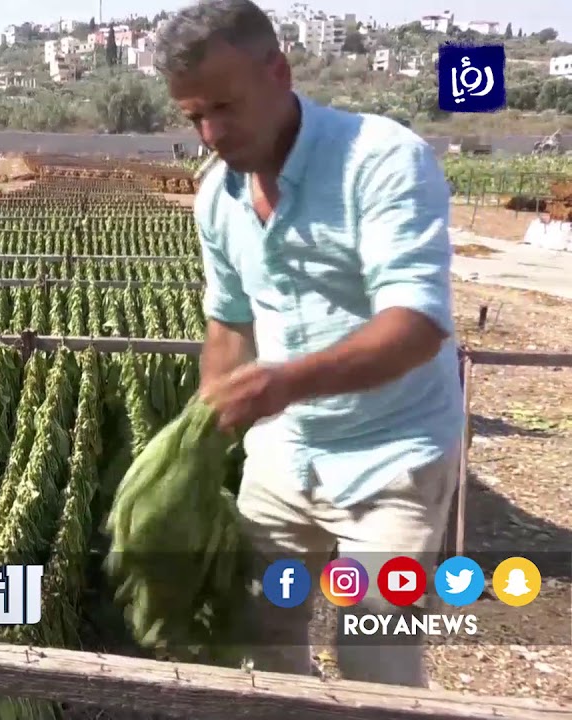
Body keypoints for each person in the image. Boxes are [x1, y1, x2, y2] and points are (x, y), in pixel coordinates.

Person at [153, 0, 465, 688]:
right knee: (262, 642)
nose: (211, 133)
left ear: (279, 73)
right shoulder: (217, 198)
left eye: (225, 107)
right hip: (285, 455)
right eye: (194, 116)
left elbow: (416, 323)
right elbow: (230, 322)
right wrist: (202, 434)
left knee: (376, 663)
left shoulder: (379, 160)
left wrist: (285, 383)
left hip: (393, 456)